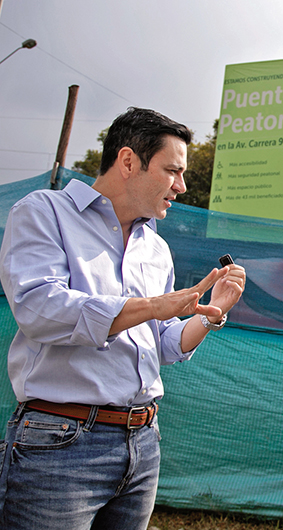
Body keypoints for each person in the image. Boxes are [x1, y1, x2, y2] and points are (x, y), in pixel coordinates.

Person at [0, 107, 246, 530]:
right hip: (60, 442)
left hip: (143, 442)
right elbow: (40, 309)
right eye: (173, 171)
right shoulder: (43, 211)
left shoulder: (156, 248)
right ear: (129, 161)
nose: (182, 186)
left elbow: (163, 344)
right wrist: (152, 306)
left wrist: (212, 314)